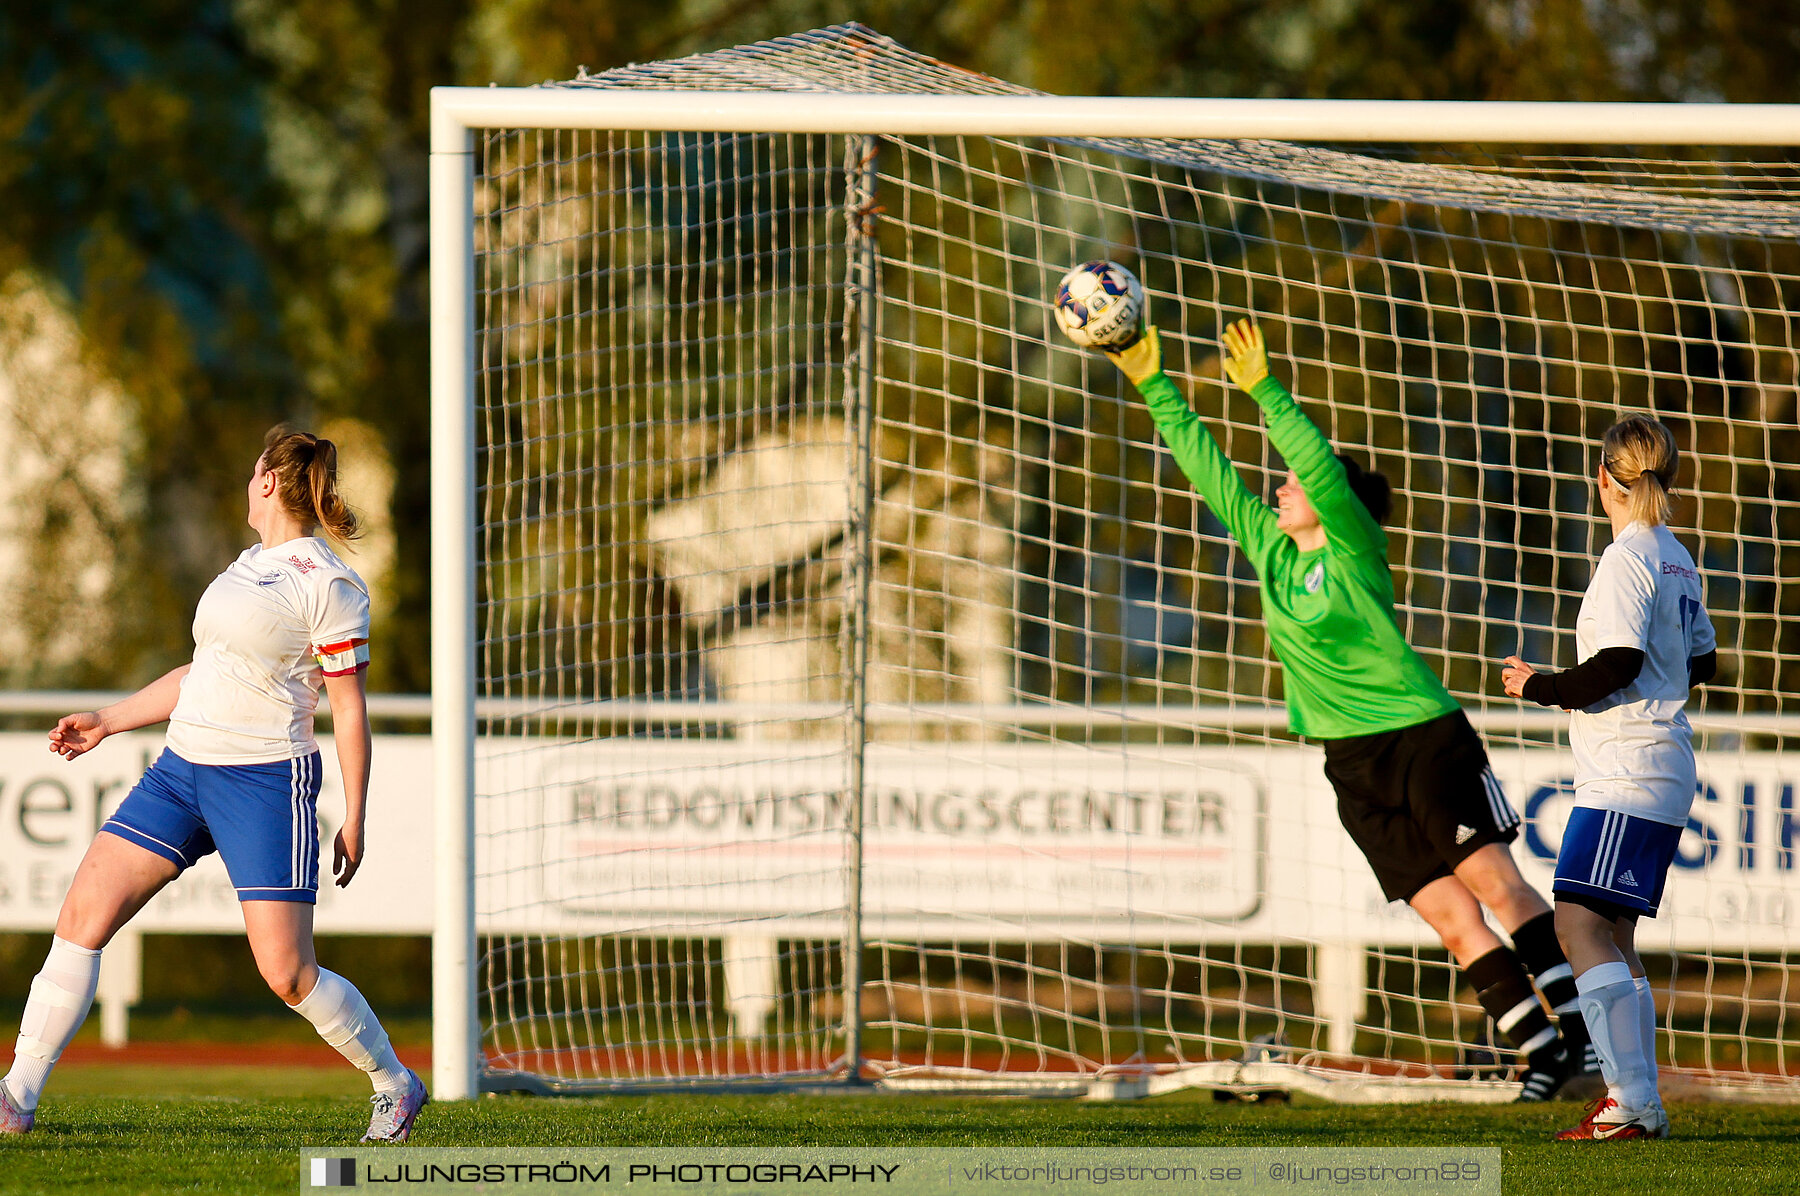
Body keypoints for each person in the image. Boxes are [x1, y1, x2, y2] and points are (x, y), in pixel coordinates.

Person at [1104, 319, 1589, 1098]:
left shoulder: (1356, 551)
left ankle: (1588, 1037)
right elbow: (1210, 473)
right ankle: (1545, 1059)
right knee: (1450, 920)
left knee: (1498, 886)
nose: (1281, 487)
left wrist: (1264, 390)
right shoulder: (1270, 551)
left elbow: (1318, 471)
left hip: (1423, 739)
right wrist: (1152, 383)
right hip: (1350, 762)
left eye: (1295, 483)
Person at [0, 428, 428, 1143]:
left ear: (267, 483)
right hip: (179, 772)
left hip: (263, 783)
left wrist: (355, 814)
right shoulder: (246, 565)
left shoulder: (329, 583)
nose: (246, 480)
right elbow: (203, 673)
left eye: (252, 469)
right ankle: (15, 1097)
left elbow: (348, 708)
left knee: (288, 973)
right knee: (82, 919)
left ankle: (395, 1084)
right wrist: (109, 719)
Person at [1501, 414, 1715, 1141]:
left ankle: (1629, 1097)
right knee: (1613, 937)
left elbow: (1617, 663)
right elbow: (1704, 661)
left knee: (1576, 924)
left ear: (1604, 479)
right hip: (1660, 765)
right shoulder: (1678, 555)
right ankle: (1639, 1103)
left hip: (1626, 766)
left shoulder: (1627, 558)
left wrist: (1538, 685)